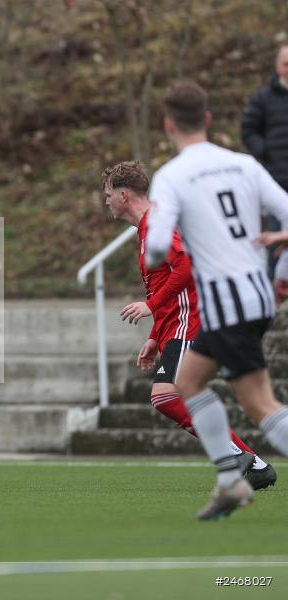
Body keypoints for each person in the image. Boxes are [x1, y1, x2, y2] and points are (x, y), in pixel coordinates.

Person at [145, 80, 288, 520]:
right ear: (207, 120)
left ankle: (233, 482)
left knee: (261, 403)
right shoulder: (243, 164)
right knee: (186, 383)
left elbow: (154, 249)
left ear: (169, 125)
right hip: (257, 295)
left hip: (227, 304)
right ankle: (229, 481)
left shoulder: (172, 176)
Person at [103, 160, 276, 490]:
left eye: (108, 194)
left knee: (166, 396)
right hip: (173, 326)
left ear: (124, 195)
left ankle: (236, 456)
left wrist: (149, 306)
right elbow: (164, 283)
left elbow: (185, 267)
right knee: (171, 396)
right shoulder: (145, 231)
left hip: (190, 322)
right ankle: (252, 464)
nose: (106, 202)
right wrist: (154, 336)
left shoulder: (156, 224)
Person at [241, 45, 288, 275]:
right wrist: (266, 150)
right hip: (277, 182)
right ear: (277, 67)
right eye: (285, 64)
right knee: (276, 241)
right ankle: (274, 293)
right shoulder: (263, 98)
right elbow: (248, 131)